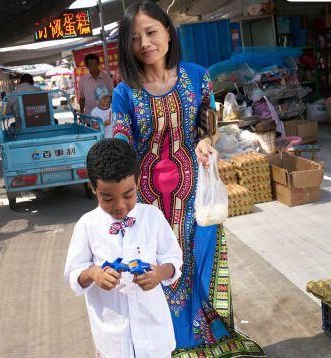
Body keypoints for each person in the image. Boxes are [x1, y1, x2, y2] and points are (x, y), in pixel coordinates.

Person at [112, 2, 263, 356]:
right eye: (135, 38)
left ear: (168, 31)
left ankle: (201, 339)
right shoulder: (124, 92)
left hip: (194, 194)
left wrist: (206, 145)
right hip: (147, 201)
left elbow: (206, 127)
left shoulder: (197, 76)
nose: (145, 43)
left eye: (151, 33)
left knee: (196, 261)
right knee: (155, 266)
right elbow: (121, 141)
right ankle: (162, 344)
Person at [64, 138, 183, 357]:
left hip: (153, 337)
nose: (119, 206)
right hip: (113, 342)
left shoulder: (152, 218)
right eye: (107, 198)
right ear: (93, 188)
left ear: (137, 183)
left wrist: (159, 273)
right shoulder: (87, 225)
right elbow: (73, 274)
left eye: (128, 195)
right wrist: (94, 273)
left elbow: (174, 258)